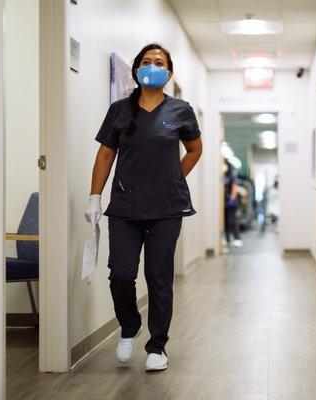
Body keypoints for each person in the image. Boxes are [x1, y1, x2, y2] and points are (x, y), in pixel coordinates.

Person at [84, 44, 203, 372]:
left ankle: (157, 346)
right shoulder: (120, 110)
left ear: (169, 73)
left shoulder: (181, 110)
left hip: (166, 208)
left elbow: (194, 149)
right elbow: (105, 155)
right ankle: (129, 326)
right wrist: (94, 197)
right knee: (121, 274)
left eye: (159, 62)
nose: (153, 66)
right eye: (147, 62)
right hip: (125, 205)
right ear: (136, 70)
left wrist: (174, 177)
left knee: (159, 276)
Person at [223, 161, 242, 248]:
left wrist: (232, 199)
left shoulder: (232, 175)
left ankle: (237, 238)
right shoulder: (222, 176)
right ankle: (227, 239)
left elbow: (235, 188)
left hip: (231, 202)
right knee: (225, 221)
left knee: (232, 220)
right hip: (223, 203)